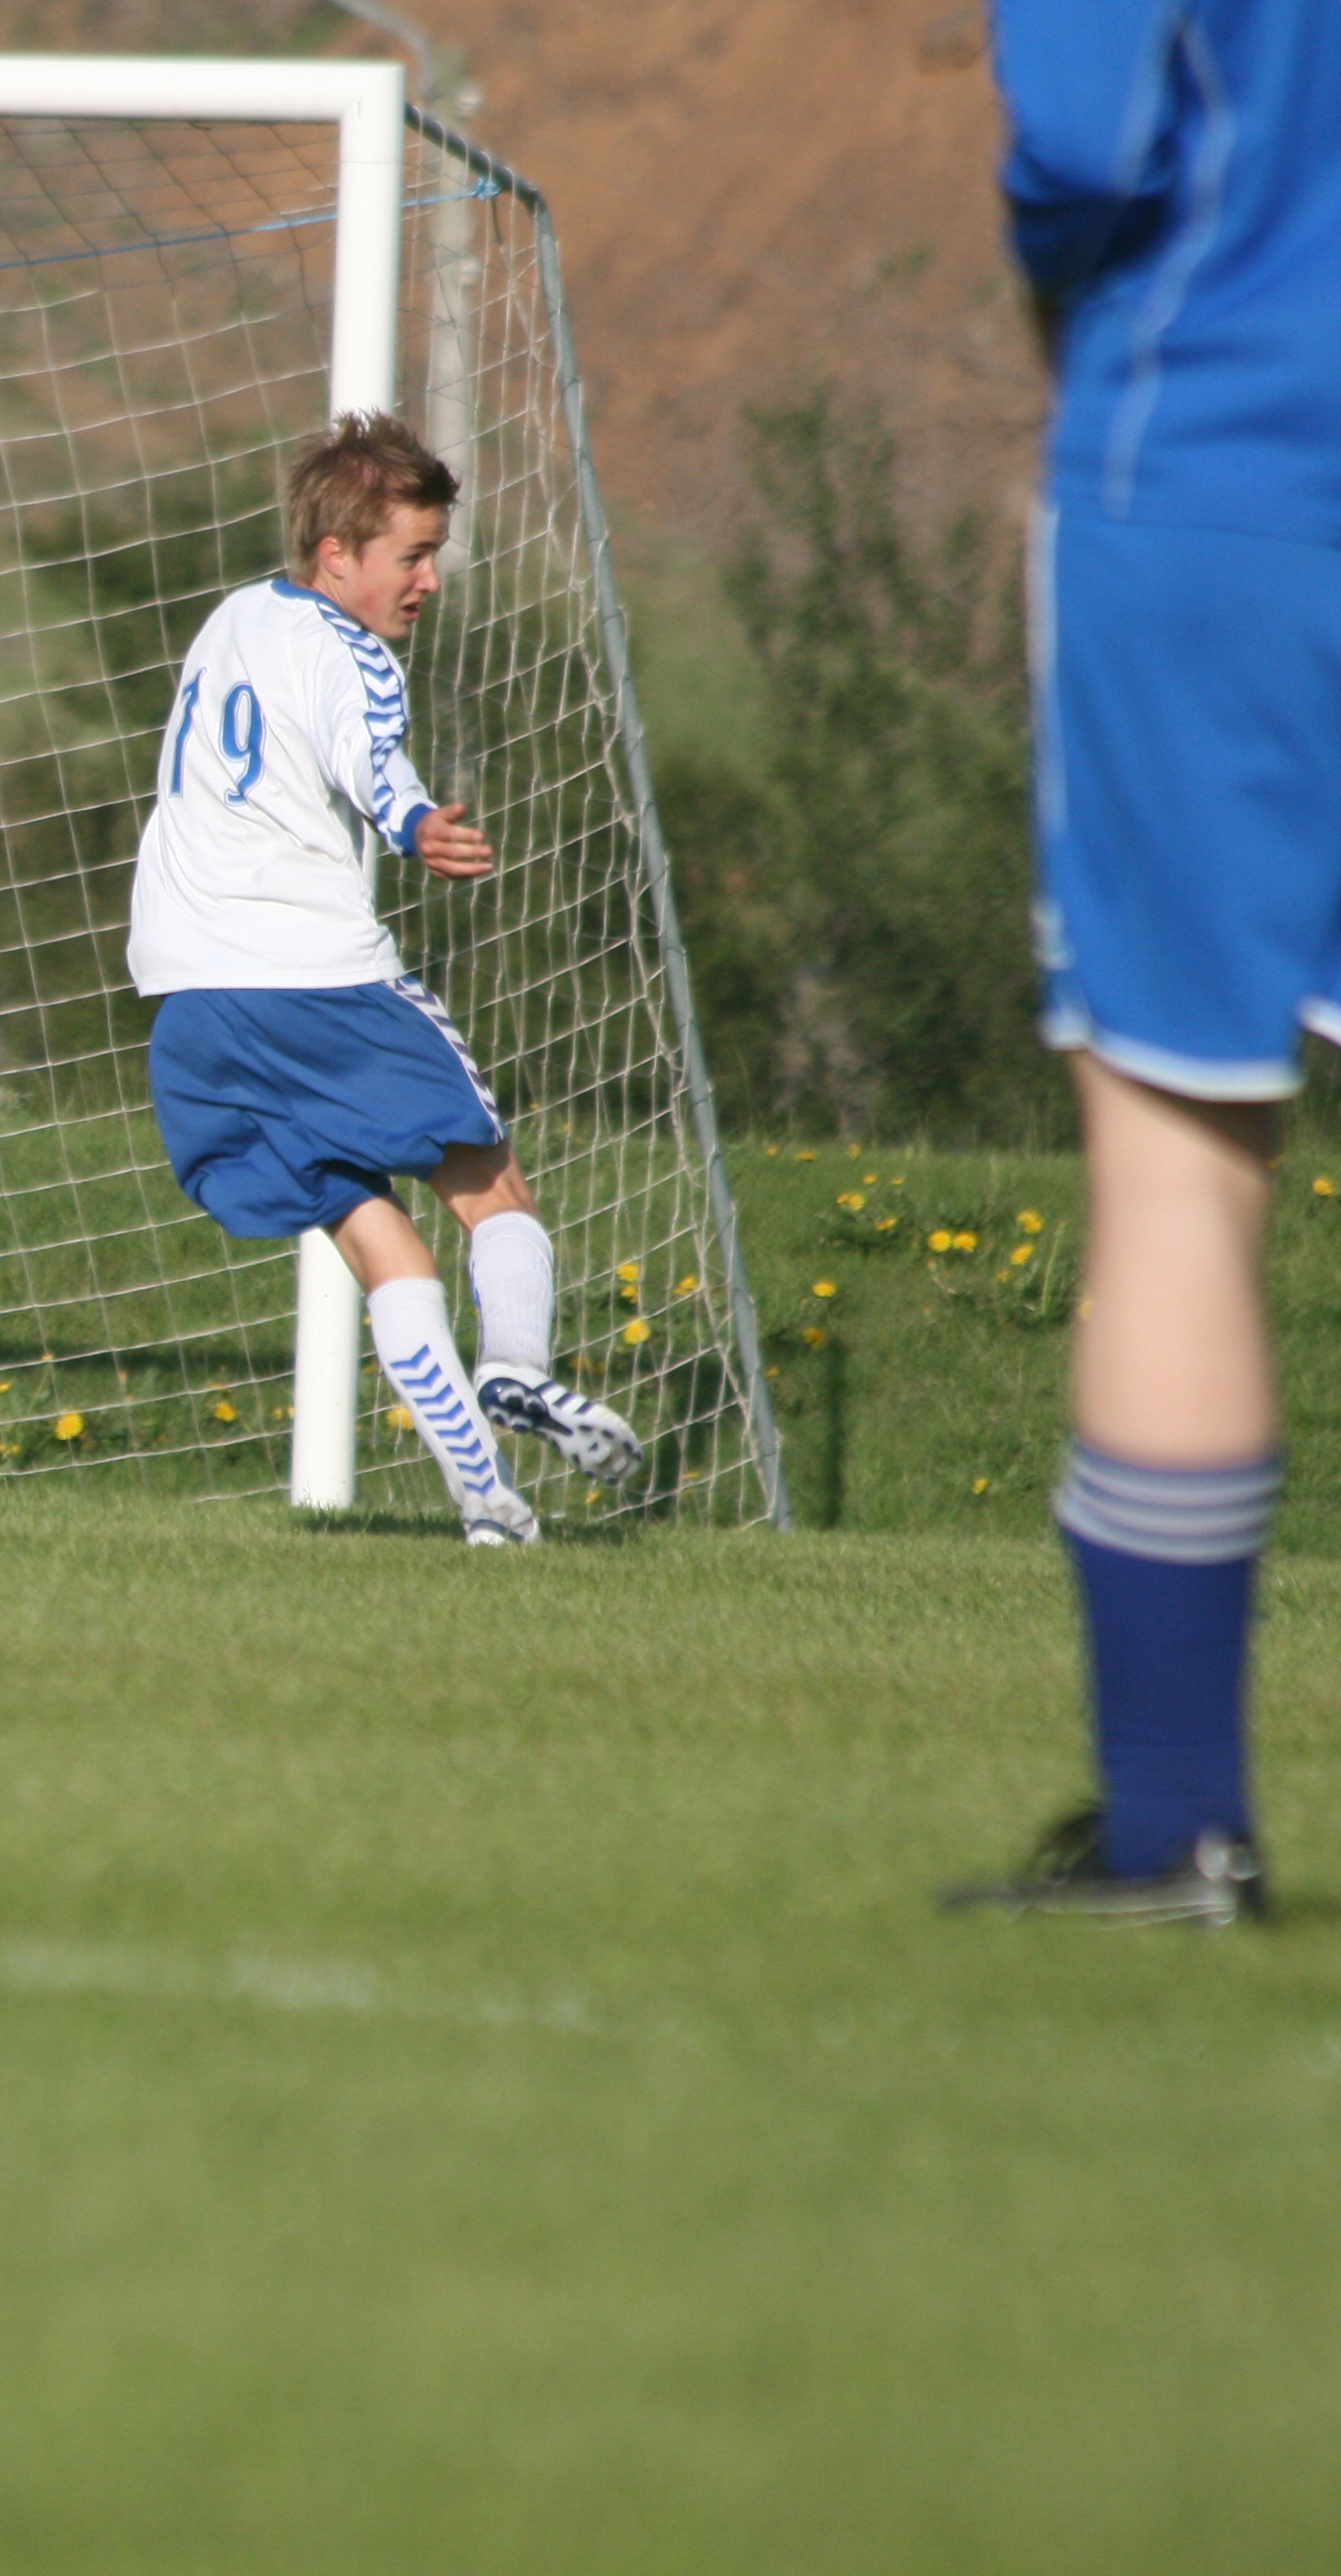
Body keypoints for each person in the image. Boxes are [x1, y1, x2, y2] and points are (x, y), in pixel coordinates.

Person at [945, 0, 1337, 1925]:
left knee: (1178, 1161)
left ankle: (1173, 1826)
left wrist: (1060, 301)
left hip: (1220, 481)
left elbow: (1090, 138)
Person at [126, 411, 641, 1543]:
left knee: (370, 1228)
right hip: (314, 976)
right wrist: (413, 825)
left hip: (190, 990)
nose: (428, 582)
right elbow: (372, 755)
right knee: (491, 1186)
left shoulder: (231, 618)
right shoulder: (351, 652)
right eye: (413, 555)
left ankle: (486, 1503)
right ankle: (515, 1368)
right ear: (336, 555)